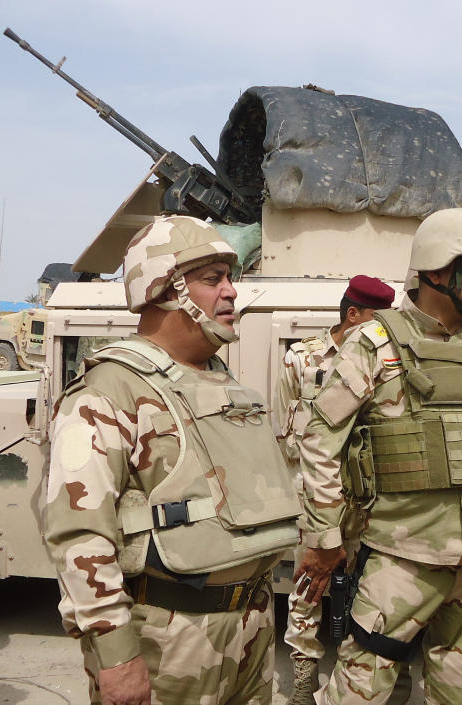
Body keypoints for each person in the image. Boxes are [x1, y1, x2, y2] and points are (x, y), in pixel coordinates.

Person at [296, 207, 462, 705]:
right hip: (401, 557)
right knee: (358, 693)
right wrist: (327, 538)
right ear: (436, 270)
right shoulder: (374, 345)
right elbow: (320, 440)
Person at [44, 215, 303, 705]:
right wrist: (117, 656)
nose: (231, 292)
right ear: (164, 290)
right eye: (212, 280)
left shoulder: (226, 385)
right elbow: (79, 534)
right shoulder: (109, 392)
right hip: (169, 642)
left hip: (252, 628)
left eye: (231, 277)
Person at [274, 274, 396, 705]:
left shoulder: (386, 359)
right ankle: (304, 682)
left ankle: (367, 682)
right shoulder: (300, 360)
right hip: (314, 499)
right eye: (376, 321)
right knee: (308, 590)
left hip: (369, 501)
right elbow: (286, 433)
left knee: (371, 589)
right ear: (353, 315)